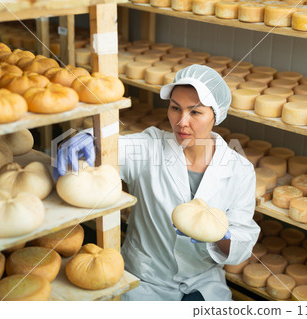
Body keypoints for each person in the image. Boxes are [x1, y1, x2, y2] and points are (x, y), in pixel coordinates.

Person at [55, 65, 260, 301]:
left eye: (195, 112)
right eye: (175, 108)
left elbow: (243, 243)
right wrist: (90, 138)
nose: (181, 122)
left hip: (202, 283)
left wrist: (219, 236)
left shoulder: (239, 170)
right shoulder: (151, 146)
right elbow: (111, 146)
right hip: (145, 280)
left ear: (216, 114)